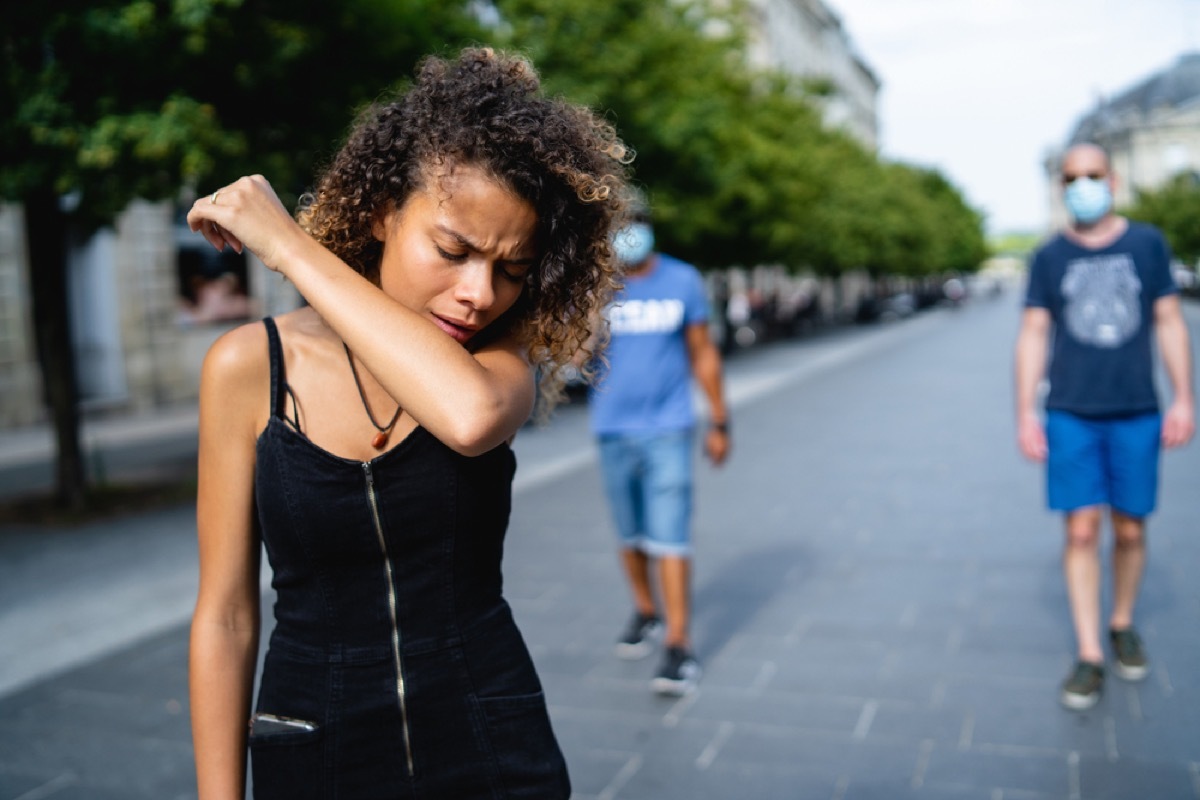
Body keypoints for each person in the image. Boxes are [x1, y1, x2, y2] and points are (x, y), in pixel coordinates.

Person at [185, 48, 629, 798]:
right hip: (312, 748)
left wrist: (291, 247)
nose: (478, 294)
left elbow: (467, 417)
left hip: (490, 740)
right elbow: (225, 615)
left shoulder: (497, 361)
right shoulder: (247, 368)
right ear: (382, 211)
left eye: (512, 270)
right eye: (453, 251)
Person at [1014, 142, 1194, 711]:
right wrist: (1024, 411)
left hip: (1137, 410)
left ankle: (1122, 622)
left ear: (1112, 181)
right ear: (1060, 185)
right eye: (1071, 177)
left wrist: (1184, 397)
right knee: (1082, 532)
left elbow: (1168, 320)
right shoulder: (1048, 257)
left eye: (1092, 175)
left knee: (1132, 530)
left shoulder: (1147, 243)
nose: (1082, 184)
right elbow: (1034, 333)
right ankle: (1090, 652)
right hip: (1070, 413)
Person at [587, 209, 730, 696]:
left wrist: (719, 418)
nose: (629, 235)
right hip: (611, 428)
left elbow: (703, 351)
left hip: (669, 428)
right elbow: (572, 346)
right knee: (630, 534)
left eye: (636, 225)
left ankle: (678, 642)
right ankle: (646, 611)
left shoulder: (683, 280)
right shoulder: (599, 284)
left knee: (670, 535)